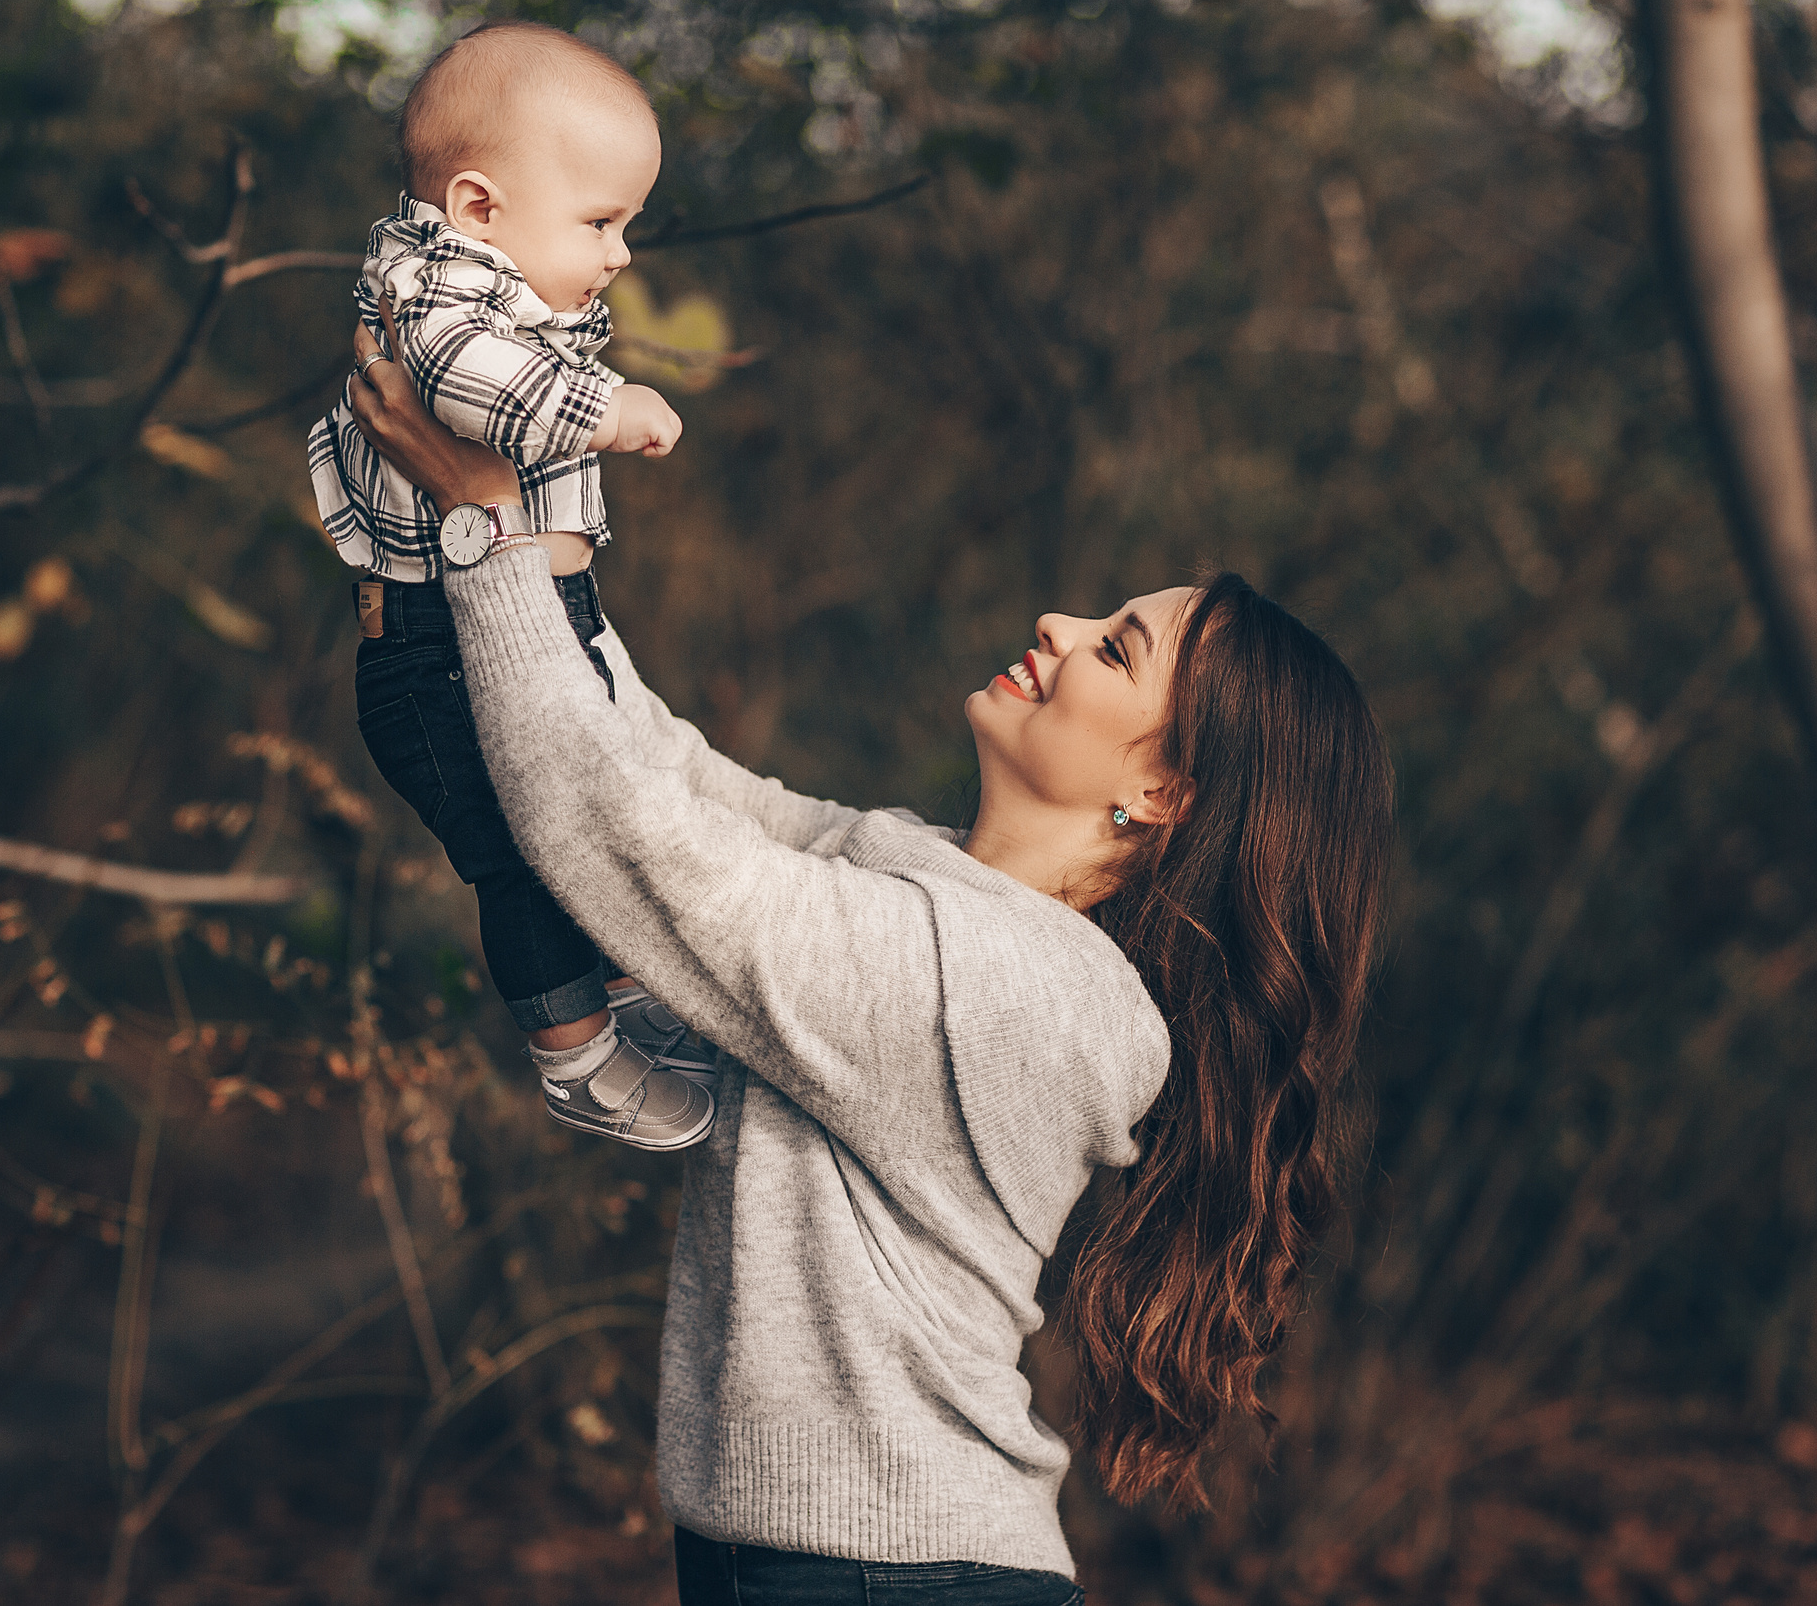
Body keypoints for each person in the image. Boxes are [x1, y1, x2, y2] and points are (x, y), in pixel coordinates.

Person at [347, 310, 1393, 1602]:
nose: (1061, 621)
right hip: (835, 1563)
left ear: (1165, 794)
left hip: (889, 1573)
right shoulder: (922, 876)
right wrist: (535, 521)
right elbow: (668, 774)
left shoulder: (1005, 986)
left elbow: (615, 831)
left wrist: (484, 532)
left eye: (1116, 646)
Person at [305, 20, 709, 1153]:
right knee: (518, 854)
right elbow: (492, 399)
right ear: (478, 207)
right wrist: (610, 408)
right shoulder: (434, 303)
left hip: (532, 622)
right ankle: (573, 1053)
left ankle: (623, 992)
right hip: (433, 656)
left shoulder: (501, 296)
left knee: (608, 811)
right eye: (600, 222)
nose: (622, 252)